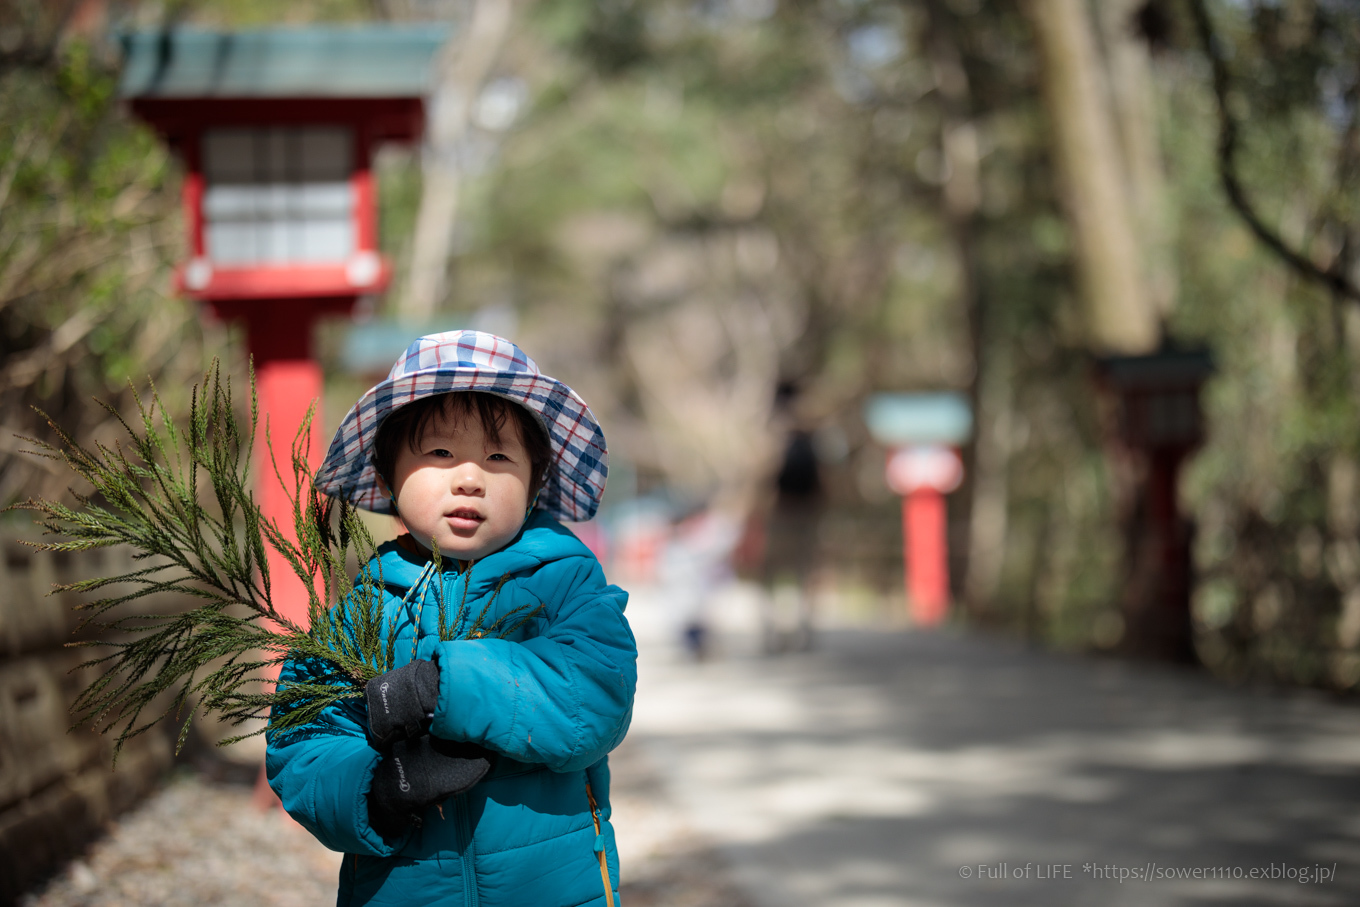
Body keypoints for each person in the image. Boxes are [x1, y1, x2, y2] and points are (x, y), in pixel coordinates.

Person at [265, 331, 636, 907]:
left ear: (536, 482)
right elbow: (302, 740)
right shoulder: (362, 610)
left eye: (498, 457)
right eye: (438, 453)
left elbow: (594, 697)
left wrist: (444, 686)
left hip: (553, 889)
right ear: (388, 478)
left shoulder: (564, 579)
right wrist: (379, 789)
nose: (469, 477)